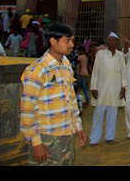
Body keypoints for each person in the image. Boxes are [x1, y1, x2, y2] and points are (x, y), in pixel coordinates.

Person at [20, 23, 87, 165]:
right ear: (53, 41)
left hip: (66, 134)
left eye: (72, 41)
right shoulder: (36, 70)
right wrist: (36, 142)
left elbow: (71, 100)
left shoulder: (66, 66)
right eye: (67, 40)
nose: (71, 45)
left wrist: (78, 127)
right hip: (46, 137)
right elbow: (27, 110)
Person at [89, 32, 127, 146]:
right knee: (98, 114)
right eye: (109, 40)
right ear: (107, 42)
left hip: (115, 89)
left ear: (117, 43)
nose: (111, 41)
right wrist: (94, 87)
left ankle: (110, 137)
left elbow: (123, 72)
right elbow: (95, 71)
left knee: (113, 114)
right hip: (101, 88)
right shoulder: (100, 54)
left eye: (114, 40)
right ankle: (94, 139)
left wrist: (123, 88)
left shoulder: (120, 56)